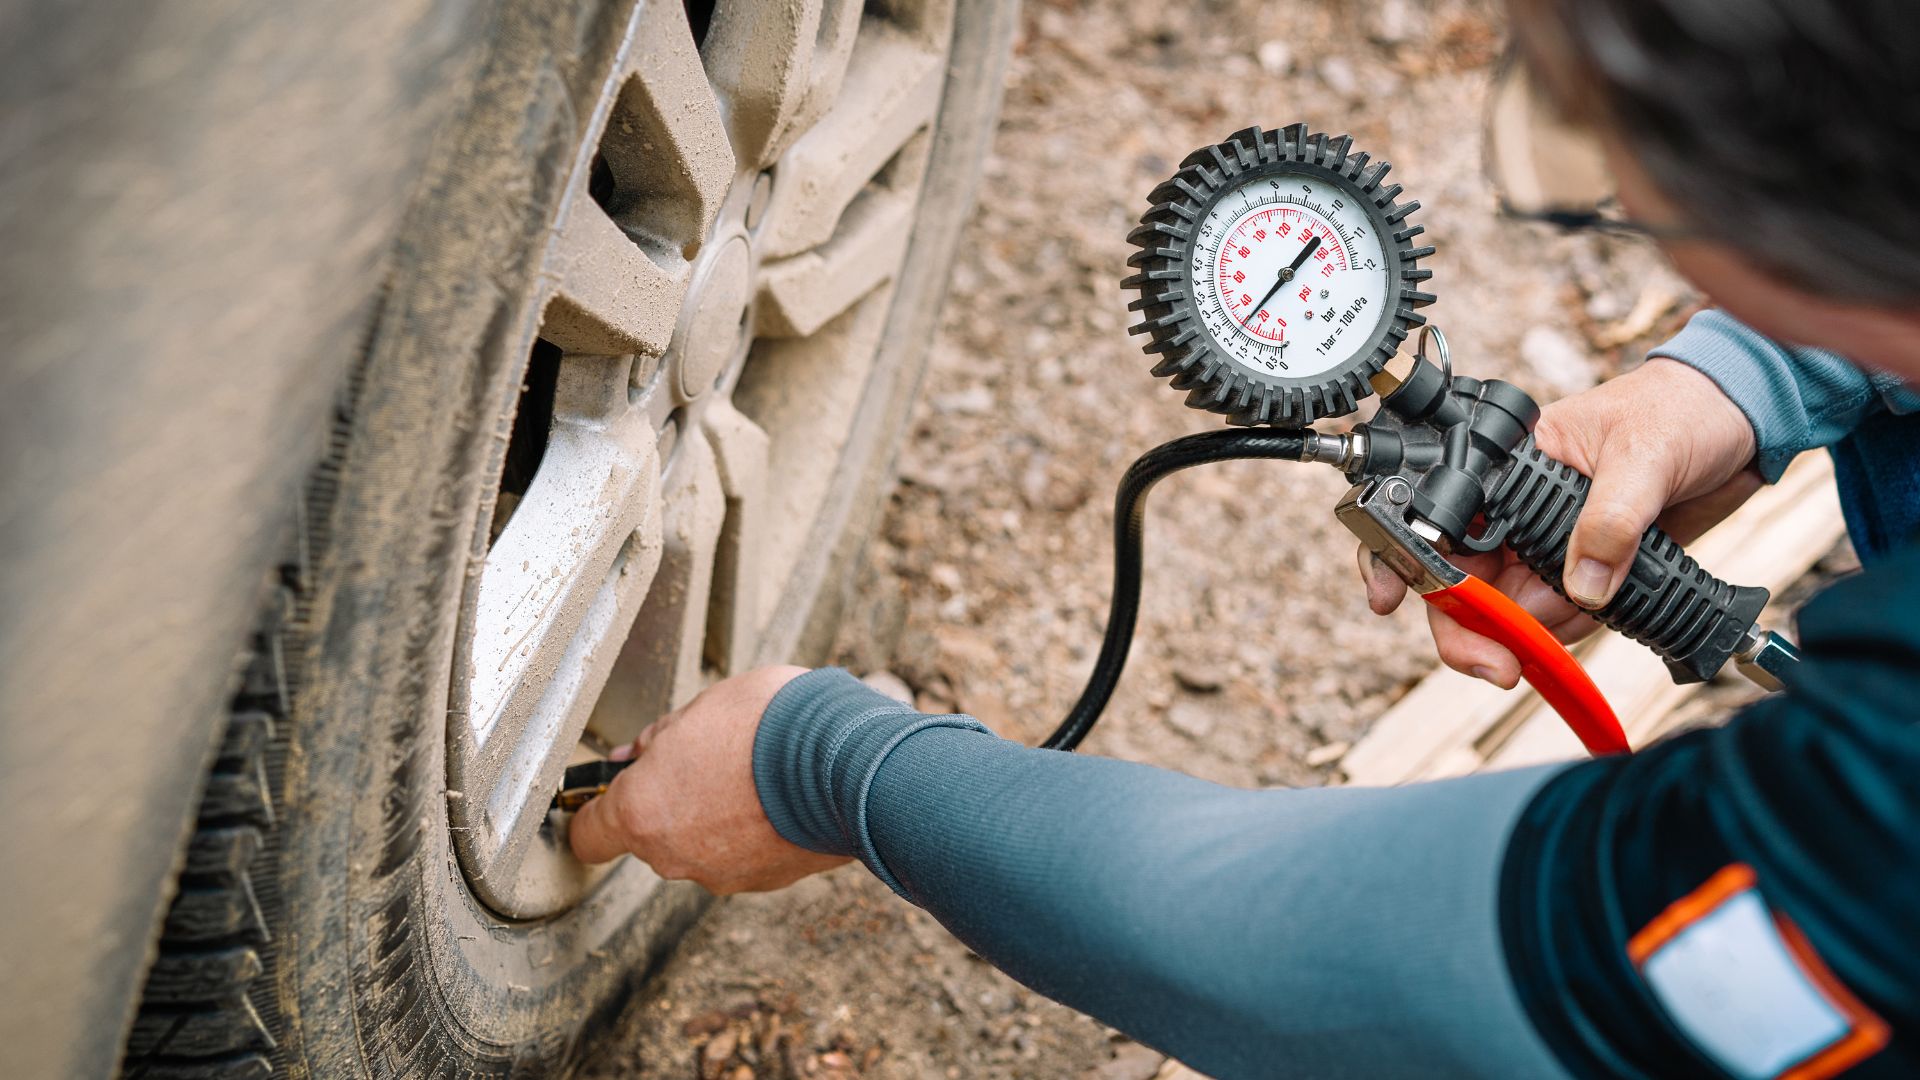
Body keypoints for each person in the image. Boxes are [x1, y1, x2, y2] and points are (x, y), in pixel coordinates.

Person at [570, 2, 1920, 1076]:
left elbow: (1340, 967)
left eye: (1633, 186)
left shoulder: (1881, 816)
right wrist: (1739, 384)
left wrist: (828, 767)